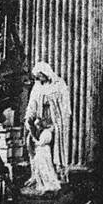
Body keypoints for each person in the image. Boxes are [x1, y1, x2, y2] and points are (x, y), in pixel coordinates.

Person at [21, 63, 70, 196]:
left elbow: (65, 109)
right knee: (30, 143)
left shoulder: (59, 84)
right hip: (38, 125)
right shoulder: (37, 87)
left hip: (52, 126)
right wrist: (29, 119)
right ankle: (38, 179)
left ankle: (50, 183)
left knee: (42, 146)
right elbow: (32, 106)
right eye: (37, 76)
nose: (39, 78)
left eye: (41, 76)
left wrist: (57, 122)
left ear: (46, 73)